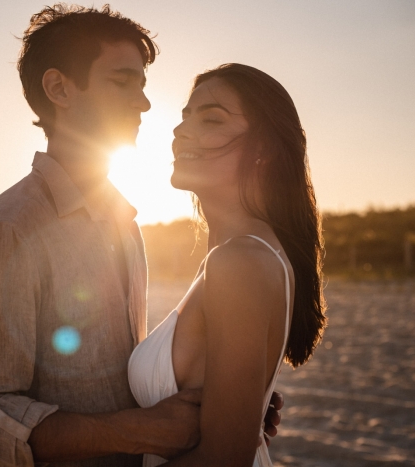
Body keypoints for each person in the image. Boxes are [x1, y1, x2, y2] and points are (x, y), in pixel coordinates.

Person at [0, 6, 281, 467]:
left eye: (142, 86)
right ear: (59, 88)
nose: (143, 103)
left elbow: (120, 376)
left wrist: (225, 404)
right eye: (122, 83)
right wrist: (137, 431)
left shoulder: (124, 221)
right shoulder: (8, 230)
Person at [128, 63, 327, 467]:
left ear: (264, 149)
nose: (180, 131)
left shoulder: (239, 262)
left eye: (211, 119)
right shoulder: (236, 255)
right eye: (184, 118)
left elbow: (222, 460)